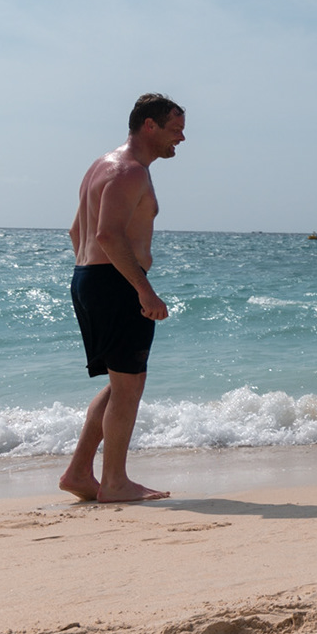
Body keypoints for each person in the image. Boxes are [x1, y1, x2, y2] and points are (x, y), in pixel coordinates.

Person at [58, 94, 186, 503]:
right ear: (150, 125)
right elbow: (107, 235)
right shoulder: (129, 171)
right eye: (175, 129)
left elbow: (76, 231)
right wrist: (142, 289)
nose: (181, 139)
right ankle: (114, 482)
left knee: (122, 384)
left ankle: (79, 473)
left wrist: (91, 277)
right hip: (114, 283)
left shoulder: (102, 165)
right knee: (128, 387)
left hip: (92, 278)